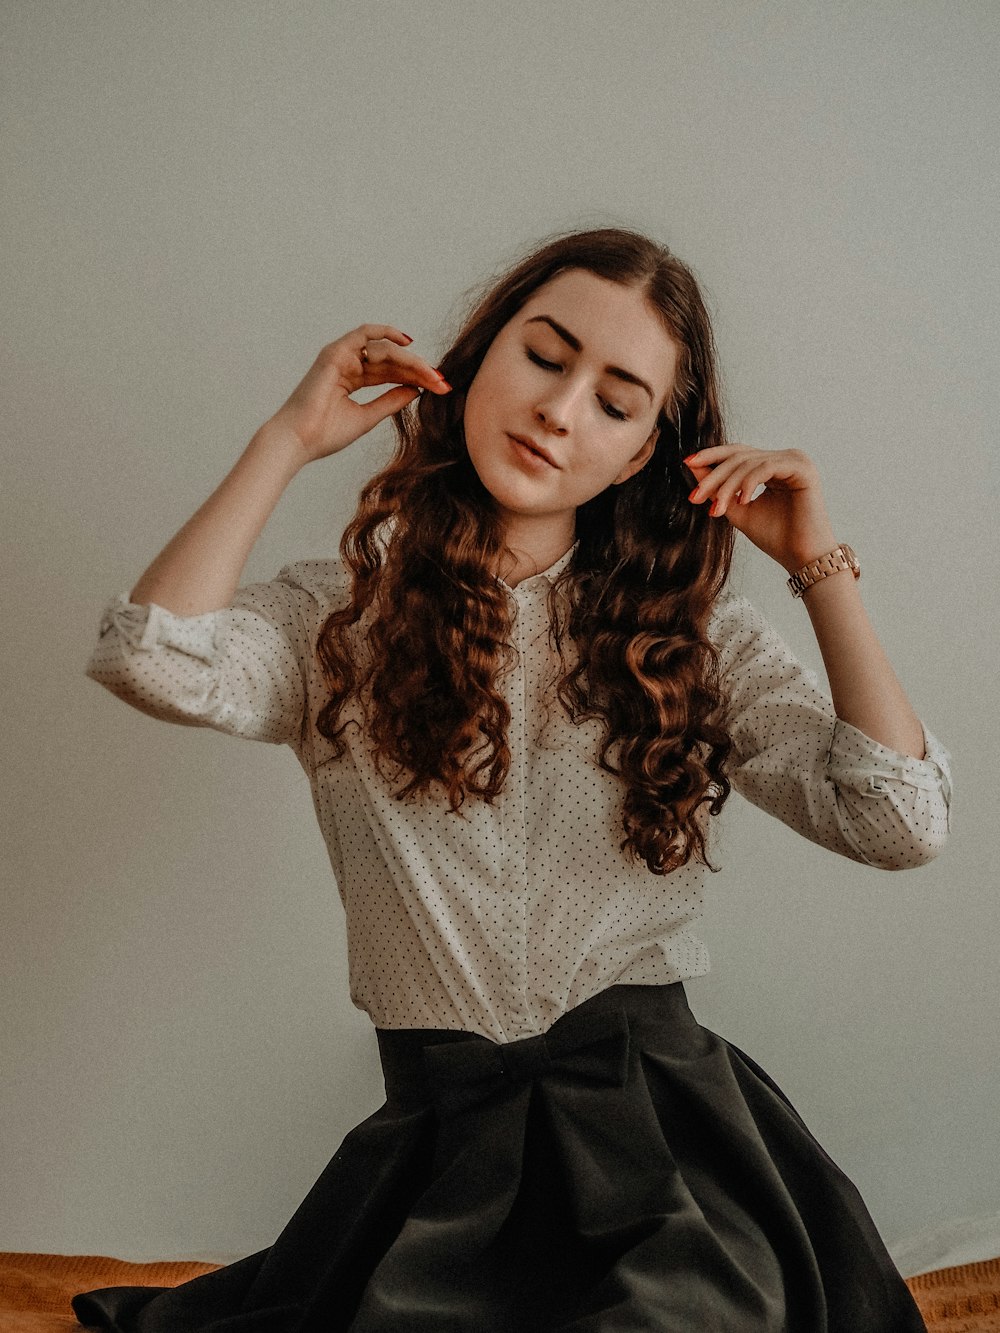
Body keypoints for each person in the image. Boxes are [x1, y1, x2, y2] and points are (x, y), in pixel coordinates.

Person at [74, 226, 951, 1331]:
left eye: (617, 399)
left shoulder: (696, 641)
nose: (560, 408)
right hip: (442, 1157)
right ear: (479, 359)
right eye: (544, 355)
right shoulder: (334, 622)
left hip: (670, 1149)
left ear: (639, 455)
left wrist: (818, 567)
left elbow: (898, 822)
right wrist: (290, 437)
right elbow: (146, 657)